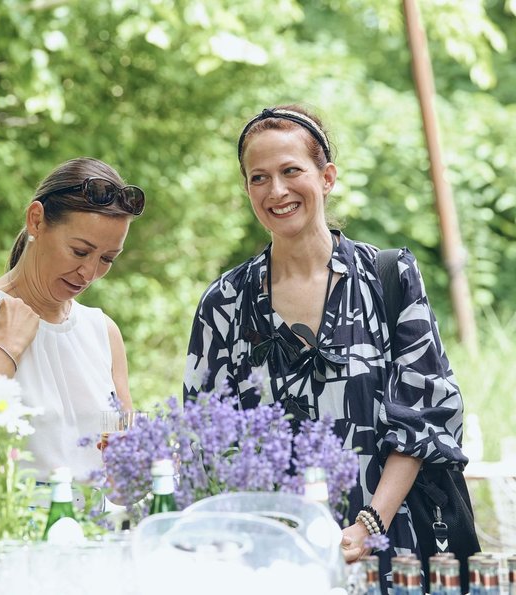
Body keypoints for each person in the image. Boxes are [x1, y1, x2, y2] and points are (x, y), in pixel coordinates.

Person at [183, 105, 467, 589]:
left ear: (327, 176)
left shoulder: (389, 278)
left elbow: (424, 417)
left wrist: (366, 526)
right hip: (268, 560)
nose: (277, 191)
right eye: (259, 178)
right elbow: (205, 439)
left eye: (291, 171)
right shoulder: (224, 303)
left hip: (388, 547)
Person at [0, 157, 145, 480]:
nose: (89, 273)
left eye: (107, 259)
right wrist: (4, 351)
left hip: (100, 526)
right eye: (79, 251)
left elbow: (124, 463)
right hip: (12, 528)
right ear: (36, 220)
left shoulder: (104, 331)